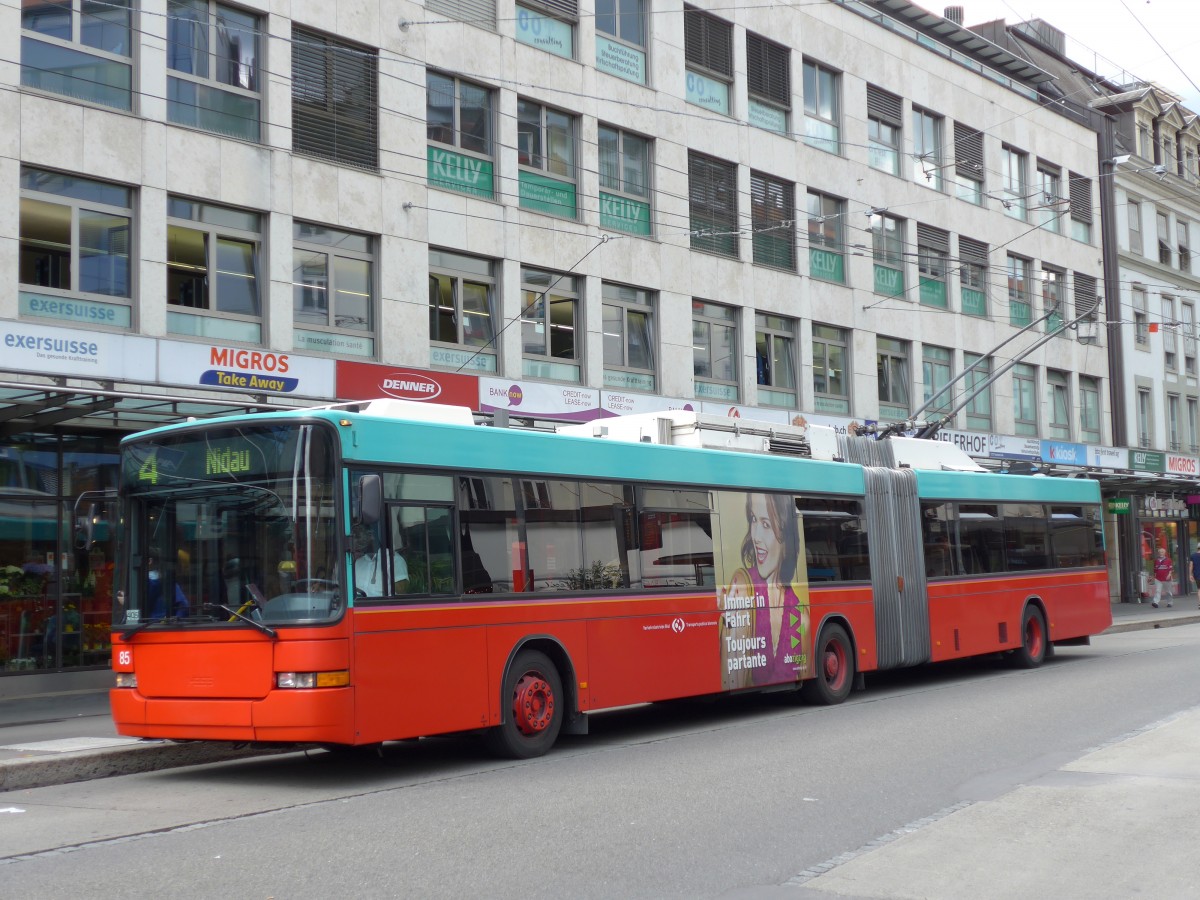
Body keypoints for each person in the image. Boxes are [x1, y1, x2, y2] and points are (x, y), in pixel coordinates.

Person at [725, 493, 807, 687]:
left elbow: (803, 667)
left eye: (766, 524)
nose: (756, 537)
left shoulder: (800, 611)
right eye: (753, 519)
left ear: (787, 540)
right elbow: (731, 680)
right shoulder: (742, 587)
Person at [352, 524, 408, 596]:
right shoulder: (357, 562)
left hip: (384, 606)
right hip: (358, 605)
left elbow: (402, 592)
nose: (357, 542)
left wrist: (388, 566)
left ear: (371, 536)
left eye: (359, 539)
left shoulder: (393, 559)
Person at [1190, 544, 1200, 608]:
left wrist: (1190, 575)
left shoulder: (1193, 556)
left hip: (1197, 574)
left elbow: (1191, 566)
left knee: (1199, 589)